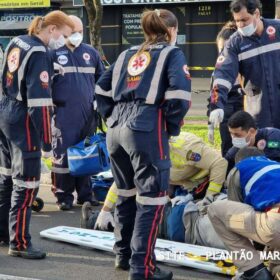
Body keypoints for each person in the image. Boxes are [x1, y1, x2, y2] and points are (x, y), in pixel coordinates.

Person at [95, 9, 191, 280]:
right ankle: (142, 269)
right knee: (152, 199)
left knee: (125, 193)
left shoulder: (127, 54)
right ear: (172, 31)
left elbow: (101, 88)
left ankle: (123, 255)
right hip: (147, 127)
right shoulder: (172, 54)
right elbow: (180, 98)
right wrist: (169, 127)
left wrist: (112, 116)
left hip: (115, 129)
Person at [0, 11, 73, 258]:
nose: (64, 41)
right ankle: (19, 243)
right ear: (52, 29)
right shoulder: (40, 51)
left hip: (4, 112)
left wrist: (50, 70)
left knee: (7, 178)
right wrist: (46, 142)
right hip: (23, 120)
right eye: (64, 35)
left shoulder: (18, 41)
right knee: (26, 184)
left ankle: (3, 233)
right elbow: (40, 103)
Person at [81, 132, 228, 250]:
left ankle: (96, 221)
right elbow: (122, 182)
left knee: (168, 218)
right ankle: (96, 220)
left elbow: (219, 163)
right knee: (155, 213)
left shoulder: (186, 148)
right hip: (182, 186)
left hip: (204, 183)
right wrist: (105, 210)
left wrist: (209, 197)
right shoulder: (143, 153)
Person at [50, 15, 105, 210]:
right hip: (63, 115)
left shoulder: (91, 53)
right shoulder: (54, 54)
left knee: (86, 156)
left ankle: (85, 195)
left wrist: (100, 101)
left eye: (81, 32)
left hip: (88, 115)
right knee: (63, 156)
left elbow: (102, 79)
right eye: (73, 32)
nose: (77, 36)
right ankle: (63, 196)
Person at [208, 147, 280, 280]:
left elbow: (239, 219)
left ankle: (254, 272)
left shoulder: (239, 169)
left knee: (215, 211)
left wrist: (256, 250)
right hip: (275, 222)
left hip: (275, 223)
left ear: (238, 161)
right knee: (275, 263)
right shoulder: (275, 165)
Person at [209, 0, 280, 130]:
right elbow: (222, 75)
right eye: (237, 21)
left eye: (244, 20)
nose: (240, 25)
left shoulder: (277, 30)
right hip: (258, 112)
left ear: (257, 14)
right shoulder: (234, 43)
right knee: (262, 147)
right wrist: (216, 105)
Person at [207, 21, 244, 156]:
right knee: (228, 154)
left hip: (245, 123)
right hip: (226, 124)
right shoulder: (216, 75)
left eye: (227, 49)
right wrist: (210, 126)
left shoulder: (247, 71)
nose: (224, 53)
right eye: (221, 49)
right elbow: (212, 100)